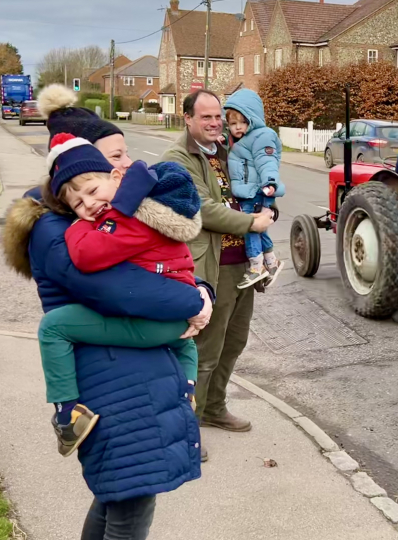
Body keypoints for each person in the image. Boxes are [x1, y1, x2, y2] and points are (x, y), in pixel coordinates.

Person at [2, 83, 211, 539]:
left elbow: (162, 264)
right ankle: (65, 410)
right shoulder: (68, 232)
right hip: (119, 387)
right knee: (130, 506)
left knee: (118, 497)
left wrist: (198, 289)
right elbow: (132, 293)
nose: (125, 166)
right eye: (113, 157)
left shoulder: (95, 219)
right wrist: (196, 300)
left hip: (131, 378)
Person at [35, 133, 205, 457]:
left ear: (116, 177)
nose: (90, 205)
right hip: (174, 316)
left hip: (155, 321)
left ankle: (68, 415)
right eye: (78, 205)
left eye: (93, 192)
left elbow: (87, 255)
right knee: (186, 341)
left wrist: (76, 227)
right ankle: (188, 389)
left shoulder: (129, 220)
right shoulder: (143, 210)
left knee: (53, 327)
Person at [162, 89, 275, 461]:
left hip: (243, 262)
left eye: (218, 117)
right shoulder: (178, 158)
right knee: (204, 352)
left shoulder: (230, 150)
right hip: (211, 268)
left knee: (235, 341)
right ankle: (186, 428)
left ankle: (214, 408)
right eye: (206, 117)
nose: (215, 123)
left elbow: (257, 180)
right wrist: (252, 221)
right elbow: (203, 208)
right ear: (188, 119)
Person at [223, 89, 285, 289]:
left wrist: (270, 183)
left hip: (258, 190)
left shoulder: (262, 136)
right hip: (249, 191)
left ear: (253, 119)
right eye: (233, 124)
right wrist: (225, 141)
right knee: (259, 229)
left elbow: (267, 161)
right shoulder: (243, 139)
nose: (237, 127)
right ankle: (271, 261)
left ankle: (256, 267)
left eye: (242, 122)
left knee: (250, 226)